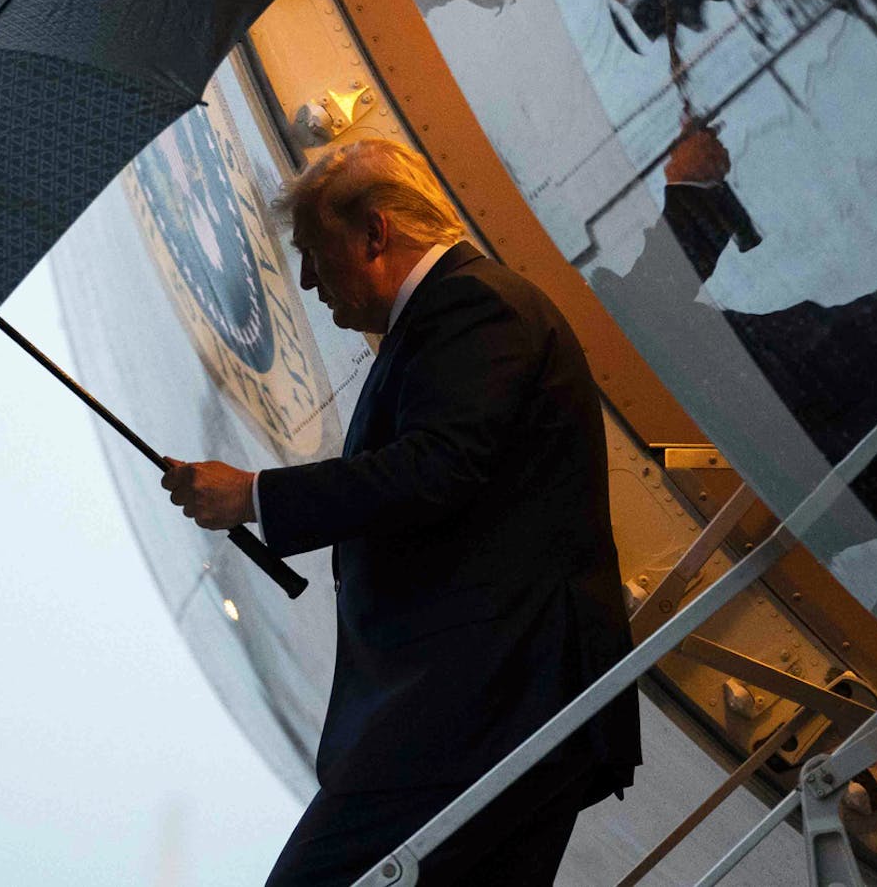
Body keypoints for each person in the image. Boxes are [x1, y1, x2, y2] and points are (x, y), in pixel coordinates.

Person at [160, 138, 639, 886]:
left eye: (315, 253)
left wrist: (254, 496)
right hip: (497, 709)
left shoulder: (472, 306)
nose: (308, 281)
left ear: (375, 233)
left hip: (474, 711)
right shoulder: (453, 317)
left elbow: (433, 470)